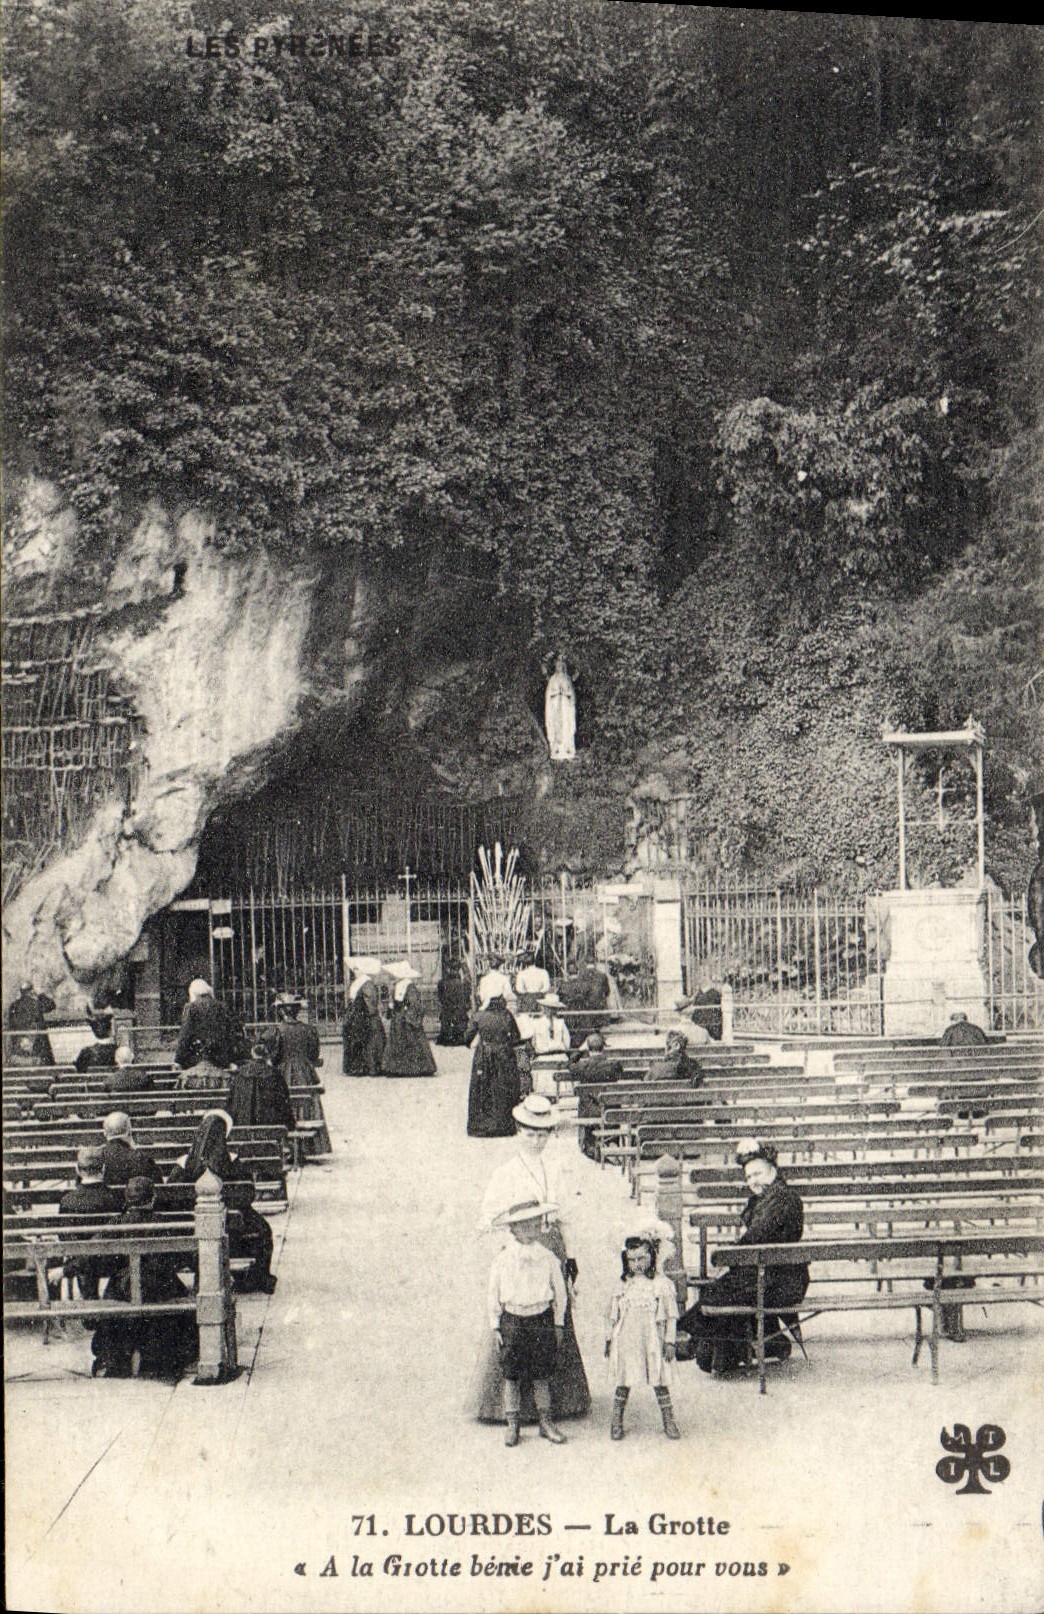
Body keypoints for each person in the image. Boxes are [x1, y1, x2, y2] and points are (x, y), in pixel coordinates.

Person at [471, 1094, 590, 1425]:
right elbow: (487, 1219)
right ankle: (508, 1409)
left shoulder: (556, 1169)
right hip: (520, 1246)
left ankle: (560, 1402)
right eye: (530, 1133)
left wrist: (572, 1257)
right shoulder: (506, 1172)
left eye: (543, 1134)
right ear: (518, 1131)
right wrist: (514, 1238)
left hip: (552, 1245)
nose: (536, 1140)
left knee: (553, 1317)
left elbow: (567, 1216)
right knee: (517, 1320)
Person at [677, 1141, 808, 1374]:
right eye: (748, 1178)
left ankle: (691, 1339)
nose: (753, 1181)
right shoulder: (767, 1198)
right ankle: (764, 1345)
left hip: (781, 1281)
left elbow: (756, 1236)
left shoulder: (782, 1199)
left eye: (757, 1173)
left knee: (719, 1294)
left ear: (773, 1170)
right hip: (766, 1273)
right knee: (720, 1291)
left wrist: (731, 1255)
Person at [90, 1176, 198, 1380]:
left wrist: (63, 1271)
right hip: (160, 1288)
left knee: (116, 1301)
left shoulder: (116, 1224)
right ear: (153, 1198)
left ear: (127, 1199)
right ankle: (161, 1358)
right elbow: (189, 1257)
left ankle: (115, 1358)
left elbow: (90, 1252)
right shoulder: (165, 1224)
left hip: (123, 1289)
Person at [168, 1112, 277, 1294]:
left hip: (190, 1230)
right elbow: (248, 1195)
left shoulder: (185, 1164)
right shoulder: (232, 1162)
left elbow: (169, 1196)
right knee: (263, 1230)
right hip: (234, 1234)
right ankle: (257, 1277)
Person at [487, 1199, 568, 1446]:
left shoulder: (548, 1257)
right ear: (513, 1229)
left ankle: (546, 1422)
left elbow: (560, 1292)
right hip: (512, 1320)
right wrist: (496, 1324)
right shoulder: (503, 1259)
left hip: (540, 1318)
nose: (530, 1230)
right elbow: (493, 1291)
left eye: (535, 1225)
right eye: (524, 1226)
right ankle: (513, 1425)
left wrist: (558, 1323)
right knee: (511, 1375)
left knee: (541, 1373)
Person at [605, 1232, 680, 1440]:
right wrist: (609, 1338)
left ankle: (669, 1420)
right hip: (627, 1338)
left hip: (652, 1338)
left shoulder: (661, 1284)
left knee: (659, 1377)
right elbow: (613, 1315)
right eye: (632, 1259)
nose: (637, 1264)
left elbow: (671, 1316)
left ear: (652, 1257)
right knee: (623, 1378)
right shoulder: (623, 1284)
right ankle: (616, 1419)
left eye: (641, 1258)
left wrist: (670, 1341)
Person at [58, 1147, 120, 1299]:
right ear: (104, 1169)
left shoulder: (67, 1200)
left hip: (80, 1262)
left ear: (77, 1170)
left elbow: (64, 1236)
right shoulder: (115, 1198)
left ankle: (88, 1297)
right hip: (110, 1261)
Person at [465, 985, 523, 1137]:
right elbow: (516, 1037)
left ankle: (482, 1125)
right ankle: (504, 1125)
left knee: (483, 1087)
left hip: (484, 1054)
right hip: (504, 1054)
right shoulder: (507, 1015)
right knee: (503, 1087)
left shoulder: (479, 1016)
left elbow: (467, 1037)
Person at [227, 1029, 296, 1133]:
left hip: (243, 1131)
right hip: (271, 1132)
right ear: (268, 1054)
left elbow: (231, 1105)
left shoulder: (240, 1075)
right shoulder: (275, 1075)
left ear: (252, 1052)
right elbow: (285, 1107)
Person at [569, 1033, 626, 1160]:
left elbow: (570, 1065)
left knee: (587, 1103)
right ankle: (611, 1142)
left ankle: (596, 1148)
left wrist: (579, 1051)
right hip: (610, 1110)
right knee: (610, 1104)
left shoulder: (582, 1066)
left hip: (589, 1111)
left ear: (588, 1049)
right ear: (603, 1048)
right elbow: (620, 1072)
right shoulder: (614, 1065)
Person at [174, 979, 247, 1071]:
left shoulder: (191, 1007)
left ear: (193, 993)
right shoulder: (222, 1006)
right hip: (220, 1057)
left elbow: (185, 1034)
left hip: (197, 1058)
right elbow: (230, 1032)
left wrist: (179, 1059)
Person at [382, 965, 437, 1077]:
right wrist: (391, 1006)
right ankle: (397, 1069)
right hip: (397, 1018)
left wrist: (408, 1015)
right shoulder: (396, 986)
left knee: (411, 1042)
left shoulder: (409, 986)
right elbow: (394, 1001)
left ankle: (412, 1068)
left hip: (405, 1019)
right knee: (397, 1043)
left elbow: (415, 1004)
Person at [342, 960, 386, 1077]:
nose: (355, 971)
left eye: (357, 969)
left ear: (363, 970)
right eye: (355, 969)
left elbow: (370, 1003)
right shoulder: (359, 982)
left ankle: (369, 1067)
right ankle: (357, 1067)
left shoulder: (367, 983)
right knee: (356, 1040)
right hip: (357, 1015)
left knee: (368, 1041)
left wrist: (367, 1015)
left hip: (365, 1017)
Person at [100, 1112, 162, 1187]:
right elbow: (159, 1187)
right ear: (129, 1131)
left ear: (105, 1133)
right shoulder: (143, 1158)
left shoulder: (97, 1158)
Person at [5, 979, 56, 1066]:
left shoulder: (13, 1006)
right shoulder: (36, 1003)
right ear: (31, 991)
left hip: (19, 1047)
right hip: (37, 1048)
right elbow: (51, 1005)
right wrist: (40, 994)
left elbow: (11, 1027)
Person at [274, 996, 322, 1086]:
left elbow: (275, 1055)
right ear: (297, 1011)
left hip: (283, 1073)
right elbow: (314, 1054)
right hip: (305, 1073)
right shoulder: (309, 1029)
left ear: (282, 1011)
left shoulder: (277, 1031)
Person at [544, 652, 576, 761]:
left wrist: (566, 694)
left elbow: (571, 694)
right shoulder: (553, 679)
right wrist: (557, 694)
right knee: (556, 725)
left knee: (567, 725)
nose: (560, 667)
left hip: (565, 707)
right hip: (555, 706)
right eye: (558, 666)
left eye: (562, 666)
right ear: (555, 667)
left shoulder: (567, 678)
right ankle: (556, 749)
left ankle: (567, 749)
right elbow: (549, 695)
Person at [436, 952, 472, 1046]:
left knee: (446, 1023)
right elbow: (468, 995)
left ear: (448, 969)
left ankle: (447, 1037)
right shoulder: (464, 983)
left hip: (447, 1011)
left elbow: (440, 997)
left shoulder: (442, 983)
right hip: (460, 1012)